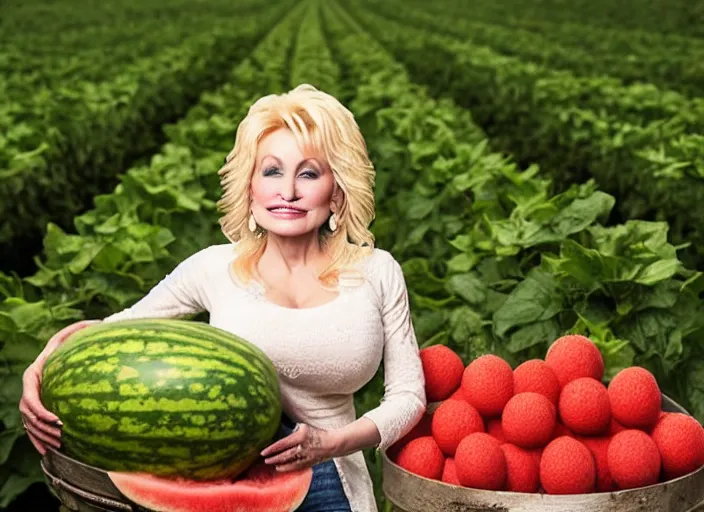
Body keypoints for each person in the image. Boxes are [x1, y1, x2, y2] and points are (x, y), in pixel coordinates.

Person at [19, 84, 427, 512]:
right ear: (250, 186)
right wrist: (41, 365)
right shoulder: (215, 267)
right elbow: (115, 328)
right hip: (223, 483)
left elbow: (408, 397)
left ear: (337, 191)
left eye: (308, 173)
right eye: (271, 171)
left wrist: (330, 443)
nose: (287, 190)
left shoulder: (378, 271)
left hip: (336, 483)